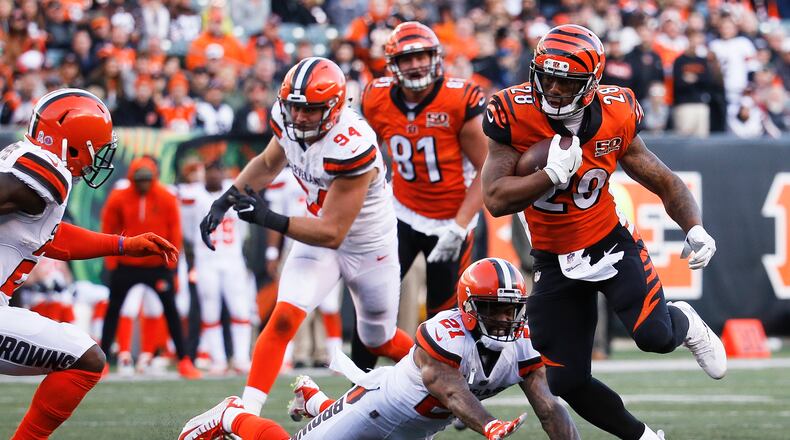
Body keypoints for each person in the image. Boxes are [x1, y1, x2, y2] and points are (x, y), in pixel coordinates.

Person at [480, 24, 727, 440]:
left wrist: (695, 227)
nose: (555, 89)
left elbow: (664, 179)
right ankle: (644, 437)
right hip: (552, 257)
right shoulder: (511, 112)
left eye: (567, 81)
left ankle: (684, 322)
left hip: (609, 243)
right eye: (548, 77)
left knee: (654, 336)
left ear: (592, 84)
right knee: (566, 381)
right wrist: (549, 175)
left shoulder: (616, 111)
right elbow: (496, 199)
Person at [199, 57, 413, 415]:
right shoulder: (287, 118)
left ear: (334, 106)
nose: (298, 118)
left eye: (309, 110)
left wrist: (268, 218)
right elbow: (268, 163)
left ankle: (443, 377)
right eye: (294, 108)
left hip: (367, 244)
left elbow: (334, 232)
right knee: (284, 317)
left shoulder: (352, 143)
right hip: (317, 235)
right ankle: (247, 412)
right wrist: (226, 199)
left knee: (380, 337)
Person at [179, 258, 580, 440]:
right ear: (470, 309)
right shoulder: (444, 332)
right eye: (495, 310)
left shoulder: (522, 345)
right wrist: (489, 424)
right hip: (373, 407)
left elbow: (548, 407)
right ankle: (232, 416)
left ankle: (315, 400)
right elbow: (452, 390)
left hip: (415, 431)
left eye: (512, 311)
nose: (505, 321)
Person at [0, 88, 178, 439]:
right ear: (75, 143)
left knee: (85, 356)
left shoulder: (27, 163)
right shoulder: (47, 171)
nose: (98, 158)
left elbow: (51, 236)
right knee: (86, 359)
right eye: (96, 146)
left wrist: (122, 244)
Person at [353, 21, 488, 370]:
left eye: (423, 56)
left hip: (450, 218)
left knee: (444, 317)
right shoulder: (375, 97)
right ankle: (357, 385)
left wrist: (458, 227)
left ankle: (451, 392)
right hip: (402, 211)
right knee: (373, 297)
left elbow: (488, 169)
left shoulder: (460, 97)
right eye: (407, 58)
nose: (415, 64)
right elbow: (361, 153)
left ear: (436, 57)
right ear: (393, 64)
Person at [99, 156, 202, 380]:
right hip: (126, 262)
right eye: (139, 179)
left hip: (157, 264)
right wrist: (112, 262)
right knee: (113, 310)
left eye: (147, 179)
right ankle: (104, 359)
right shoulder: (119, 197)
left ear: (154, 178)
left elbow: (175, 229)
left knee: (171, 311)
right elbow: (108, 227)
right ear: (132, 179)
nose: (143, 183)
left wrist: (171, 266)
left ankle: (184, 360)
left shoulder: (165, 197)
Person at [180, 161, 254, 374]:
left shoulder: (235, 190)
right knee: (210, 311)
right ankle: (218, 359)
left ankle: (240, 358)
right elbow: (187, 229)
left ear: (223, 173)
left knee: (240, 308)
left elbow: (246, 225)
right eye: (210, 171)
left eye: (217, 171)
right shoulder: (193, 196)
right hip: (206, 260)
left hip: (232, 259)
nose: (214, 175)